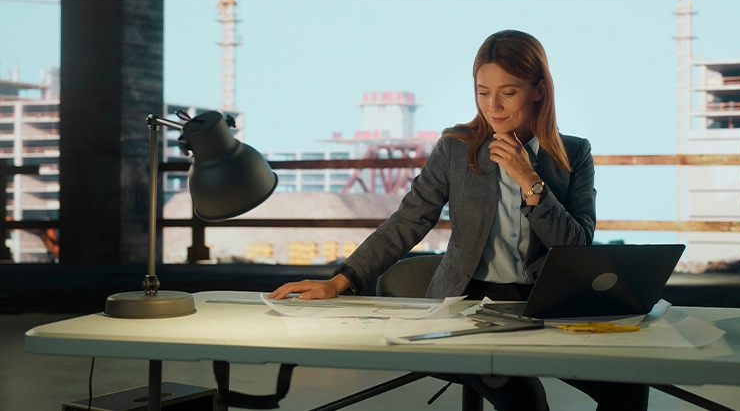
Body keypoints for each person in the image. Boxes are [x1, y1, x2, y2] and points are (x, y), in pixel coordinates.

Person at [270, 29, 648, 411]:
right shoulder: (456, 148)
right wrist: (341, 280)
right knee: (525, 400)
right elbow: (408, 221)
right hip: (469, 305)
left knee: (628, 389)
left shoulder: (574, 154)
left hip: (546, 305)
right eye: (483, 92)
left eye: (508, 92)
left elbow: (577, 246)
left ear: (539, 90)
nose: (493, 106)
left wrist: (530, 181)